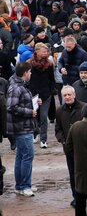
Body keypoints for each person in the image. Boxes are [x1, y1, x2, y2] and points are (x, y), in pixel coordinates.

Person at [7, 61, 36, 197]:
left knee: (21, 157)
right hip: (22, 127)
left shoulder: (18, 85)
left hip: (22, 127)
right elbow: (12, 107)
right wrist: (29, 112)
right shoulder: (17, 87)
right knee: (27, 157)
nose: (30, 73)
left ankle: (20, 186)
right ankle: (25, 186)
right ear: (25, 73)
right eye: (29, 72)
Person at [55, 85, 84, 207]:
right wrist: (63, 140)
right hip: (69, 149)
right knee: (72, 174)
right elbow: (58, 129)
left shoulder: (84, 108)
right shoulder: (60, 110)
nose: (67, 97)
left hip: (83, 149)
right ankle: (76, 197)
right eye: (65, 95)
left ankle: (85, 196)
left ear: (74, 95)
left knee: (83, 174)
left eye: (69, 95)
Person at [27, 42, 56, 149]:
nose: (46, 53)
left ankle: (43, 140)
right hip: (33, 94)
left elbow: (52, 79)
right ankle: (35, 133)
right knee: (34, 116)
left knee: (44, 117)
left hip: (46, 94)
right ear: (37, 52)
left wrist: (52, 90)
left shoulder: (49, 64)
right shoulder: (29, 64)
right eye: (44, 51)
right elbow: (27, 79)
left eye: (47, 51)